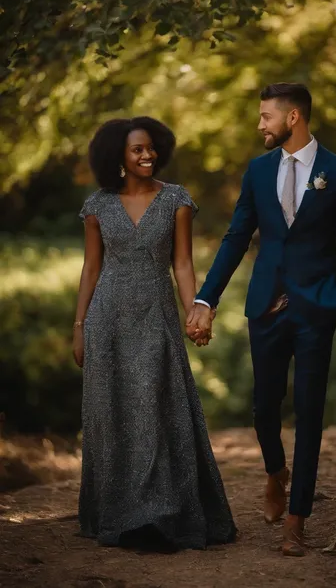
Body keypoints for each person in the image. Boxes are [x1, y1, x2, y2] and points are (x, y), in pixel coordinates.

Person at [186, 83, 336, 556]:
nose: (259, 124)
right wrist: (207, 300)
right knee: (264, 407)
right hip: (264, 305)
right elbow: (235, 238)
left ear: (293, 118)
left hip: (317, 308)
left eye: (266, 116)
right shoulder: (257, 170)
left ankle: (297, 519)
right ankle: (274, 472)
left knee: (310, 413)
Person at [73, 116, 236, 550]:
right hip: (106, 317)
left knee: (155, 406)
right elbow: (91, 267)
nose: (148, 156)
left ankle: (161, 515)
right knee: (112, 413)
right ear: (118, 158)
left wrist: (194, 313)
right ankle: (118, 514)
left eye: (151, 148)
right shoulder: (98, 206)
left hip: (156, 312)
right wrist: (79, 326)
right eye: (137, 150)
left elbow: (182, 263)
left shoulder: (176, 199)